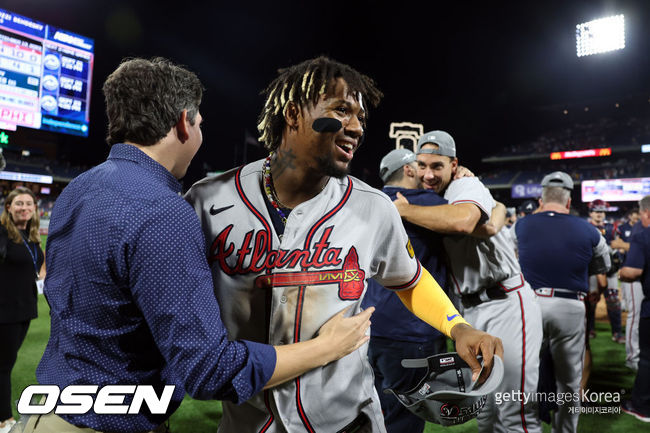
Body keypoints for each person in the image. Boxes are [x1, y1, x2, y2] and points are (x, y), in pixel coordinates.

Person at [31, 57, 374, 433]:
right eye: (200, 123)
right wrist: (326, 348)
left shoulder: (78, 189)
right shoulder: (163, 211)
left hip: (48, 413)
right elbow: (209, 370)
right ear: (184, 122)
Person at [186, 57, 503, 433]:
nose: (356, 127)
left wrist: (458, 327)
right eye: (342, 110)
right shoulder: (208, 201)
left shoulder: (372, 206)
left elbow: (410, 279)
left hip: (349, 420)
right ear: (293, 114)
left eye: (361, 118)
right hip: (249, 422)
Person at [393, 129, 542, 433]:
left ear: (454, 165)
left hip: (505, 303)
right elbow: (487, 221)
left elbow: (462, 221)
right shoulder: (434, 198)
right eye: (422, 165)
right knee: (484, 412)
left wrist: (406, 212)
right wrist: (497, 211)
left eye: (437, 166)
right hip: (471, 313)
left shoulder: (464, 184)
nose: (429, 173)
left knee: (514, 411)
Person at [514, 171, 610, 433]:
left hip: (530, 305)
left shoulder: (520, 225)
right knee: (569, 382)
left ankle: (529, 428)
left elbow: (508, 262)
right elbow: (604, 265)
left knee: (528, 378)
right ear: (568, 202)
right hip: (570, 305)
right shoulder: (589, 229)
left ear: (541, 200)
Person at [360, 148, 448, 433]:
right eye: (418, 167)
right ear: (409, 170)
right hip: (411, 327)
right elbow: (467, 219)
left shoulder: (368, 202)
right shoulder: (425, 201)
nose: (426, 173)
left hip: (370, 326)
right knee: (404, 421)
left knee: (377, 415)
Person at [0, 187, 45, 433]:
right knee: (3, 366)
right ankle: (4, 419)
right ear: (8, 207)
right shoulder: (2, 232)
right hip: (5, 310)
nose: (24, 208)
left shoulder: (31, 236)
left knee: (6, 363)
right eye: (19, 204)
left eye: (29, 204)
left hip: (24, 310)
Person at [620, 195, 650, 422]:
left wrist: (620, 271)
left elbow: (631, 272)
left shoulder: (642, 236)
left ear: (645, 213)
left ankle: (641, 406)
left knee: (647, 359)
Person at [586, 199, 624, 343]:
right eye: (596, 211)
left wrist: (618, 255)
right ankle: (589, 329)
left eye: (601, 211)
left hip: (610, 271)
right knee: (591, 301)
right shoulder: (586, 227)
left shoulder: (612, 228)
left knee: (614, 301)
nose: (599, 214)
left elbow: (619, 246)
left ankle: (617, 333)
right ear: (591, 213)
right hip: (593, 271)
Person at [612, 208, 643, 370]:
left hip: (642, 275)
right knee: (635, 315)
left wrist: (624, 245)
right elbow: (616, 245)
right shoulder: (630, 228)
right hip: (632, 274)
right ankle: (632, 357)